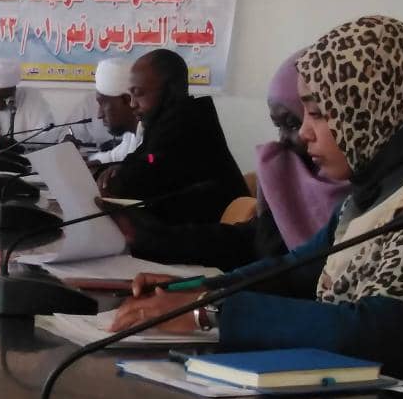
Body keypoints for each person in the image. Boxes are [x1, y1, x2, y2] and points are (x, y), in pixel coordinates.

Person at [112, 16, 403, 399]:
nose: (303, 133)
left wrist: (209, 315)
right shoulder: (379, 190)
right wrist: (198, 291)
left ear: (377, 107)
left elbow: (376, 331)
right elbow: (296, 268)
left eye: (320, 113)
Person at [115, 51, 349, 270]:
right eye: (279, 126)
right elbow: (255, 244)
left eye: (294, 123)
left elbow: (294, 277)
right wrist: (151, 239)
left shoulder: (362, 208)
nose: (302, 134)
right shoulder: (294, 179)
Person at [99, 49, 248, 224]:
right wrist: (121, 167)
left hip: (216, 233)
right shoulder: (166, 122)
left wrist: (112, 178)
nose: (132, 104)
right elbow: (148, 158)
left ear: (169, 90)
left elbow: (145, 175)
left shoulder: (187, 125)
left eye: (138, 93)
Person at [86, 57, 142, 165]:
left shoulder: (154, 136)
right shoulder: (131, 135)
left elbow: (150, 160)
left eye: (103, 104)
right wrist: (85, 160)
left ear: (128, 100)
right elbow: (113, 156)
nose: (99, 115)